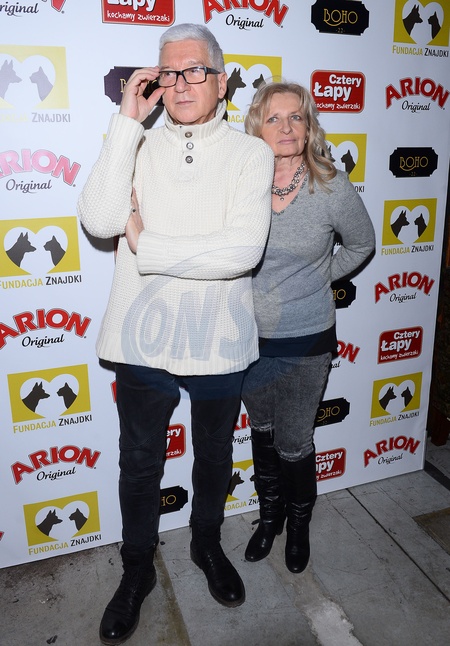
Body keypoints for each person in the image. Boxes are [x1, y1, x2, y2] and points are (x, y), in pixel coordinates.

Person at [77, 23, 274, 645]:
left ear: (221, 81)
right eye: (169, 73)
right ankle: (136, 568)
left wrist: (145, 242)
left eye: (195, 71)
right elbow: (99, 218)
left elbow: (240, 251)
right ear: (155, 81)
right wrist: (126, 123)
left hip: (220, 335)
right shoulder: (134, 144)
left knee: (213, 456)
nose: (182, 83)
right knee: (139, 463)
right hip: (140, 336)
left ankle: (205, 544)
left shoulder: (251, 154)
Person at [241, 81, 375, 574]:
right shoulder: (242, 184)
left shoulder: (330, 185)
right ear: (257, 127)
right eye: (274, 118)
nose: (286, 127)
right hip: (249, 338)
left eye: (296, 116)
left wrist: (319, 278)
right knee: (262, 431)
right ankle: (269, 518)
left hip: (307, 338)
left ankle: (298, 527)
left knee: (294, 443)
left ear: (309, 125)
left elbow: (362, 244)